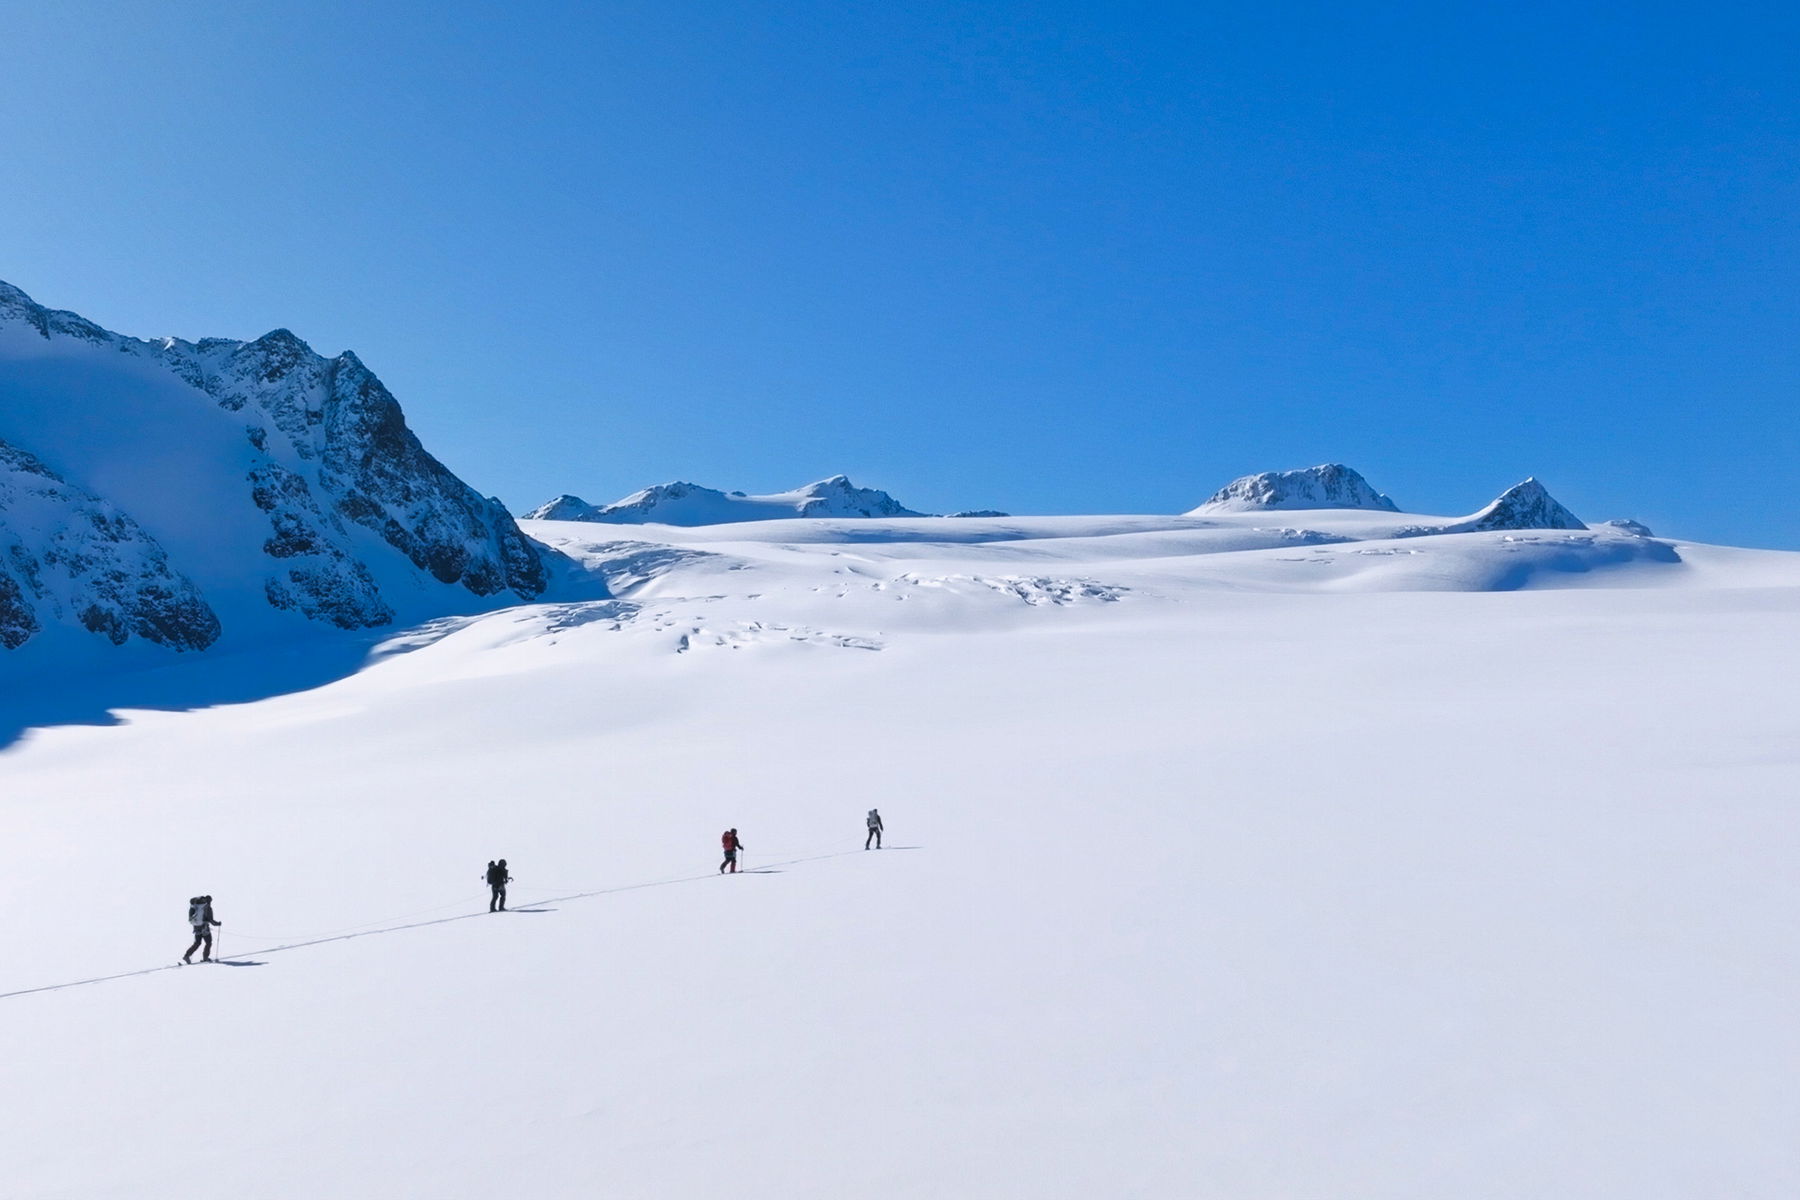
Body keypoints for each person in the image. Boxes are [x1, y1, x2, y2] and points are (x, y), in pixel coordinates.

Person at [183, 895, 221, 963]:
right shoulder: (207, 907)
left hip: (196, 927)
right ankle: (205, 958)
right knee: (208, 942)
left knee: (197, 943)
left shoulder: (196, 906)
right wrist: (217, 924)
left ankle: (187, 956)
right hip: (204, 928)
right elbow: (211, 920)